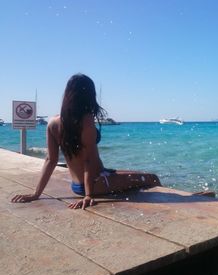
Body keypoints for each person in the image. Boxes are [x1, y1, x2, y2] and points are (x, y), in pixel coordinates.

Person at [11, 73, 161, 209]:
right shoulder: (86, 121)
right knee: (151, 178)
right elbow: (88, 160)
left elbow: (50, 160)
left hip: (79, 184)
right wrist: (89, 195)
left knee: (140, 175)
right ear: (89, 95)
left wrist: (36, 194)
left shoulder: (52, 123)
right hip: (97, 183)